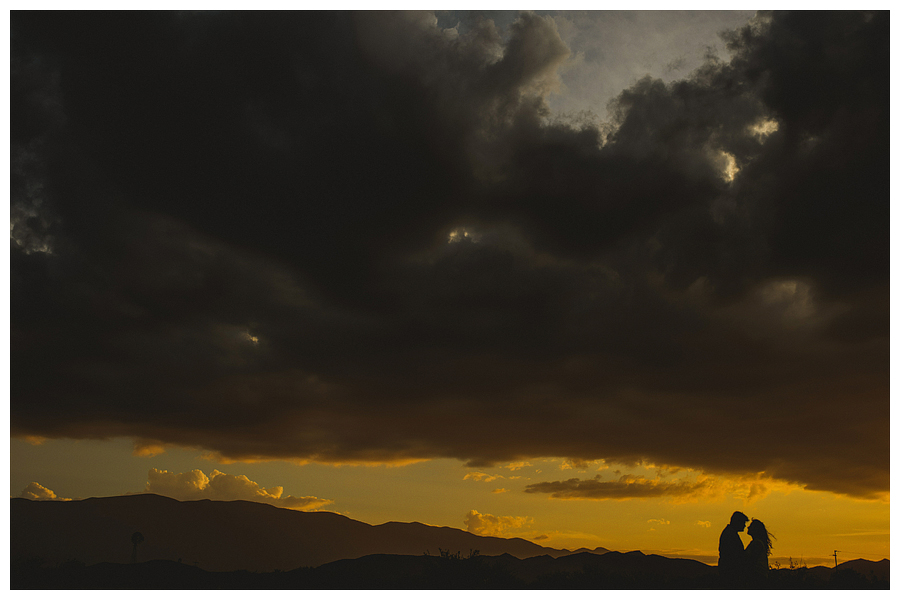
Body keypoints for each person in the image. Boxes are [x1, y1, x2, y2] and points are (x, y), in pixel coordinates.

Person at [718, 511, 748, 584]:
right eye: (743, 523)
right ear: (737, 522)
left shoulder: (730, 532)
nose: (744, 525)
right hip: (730, 570)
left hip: (729, 569)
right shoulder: (730, 534)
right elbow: (734, 554)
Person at [744, 518, 774, 586]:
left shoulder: (757, 543)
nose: (748, 527)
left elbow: (752, 560)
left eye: (751, 526)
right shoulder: (756, 542)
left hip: (757, 576)